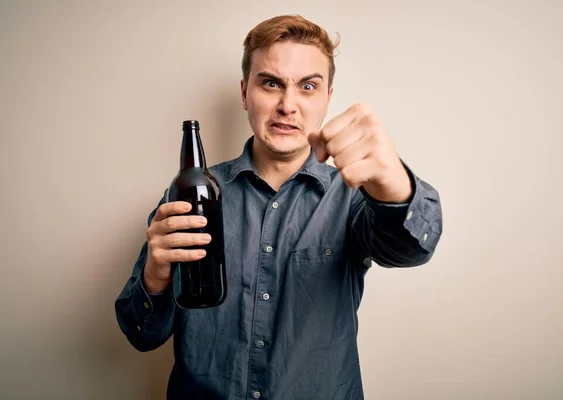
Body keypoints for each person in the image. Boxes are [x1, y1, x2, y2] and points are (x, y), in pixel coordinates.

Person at [115, 14, 443, 400]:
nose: (288, 105)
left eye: (307, 86)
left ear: (327, 99)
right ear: (244, 93)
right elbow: (141, 335)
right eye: (271, 83)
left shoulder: (355, 196)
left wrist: (395, 186)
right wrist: (155, 277)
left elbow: (410, 248)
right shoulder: (190, 198)